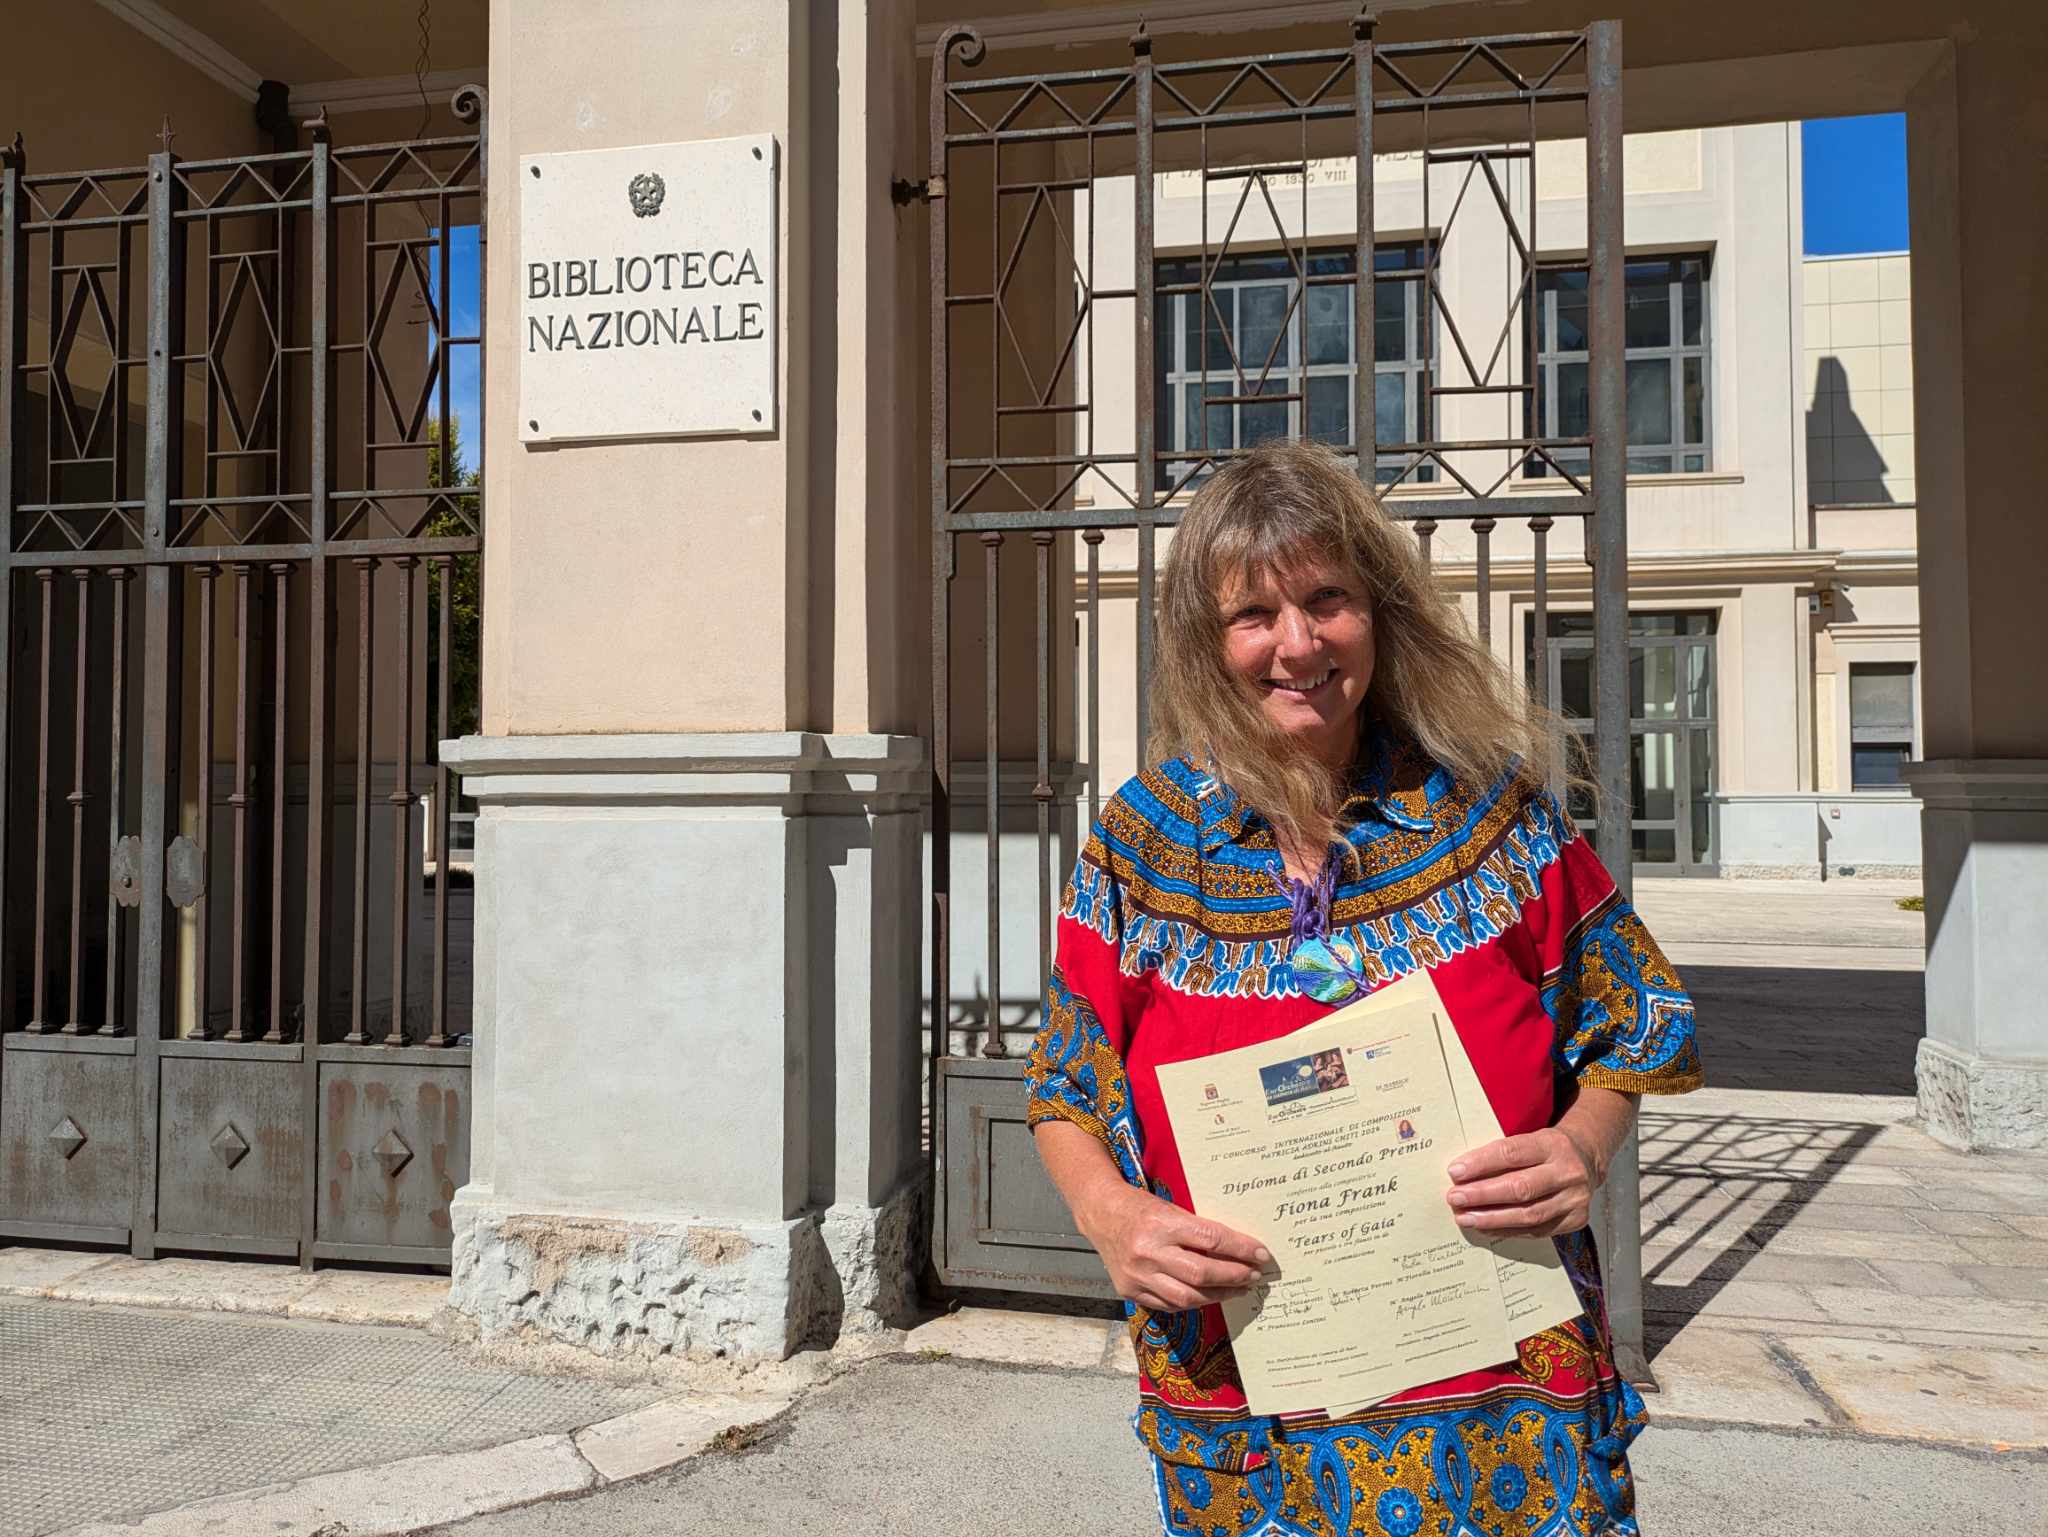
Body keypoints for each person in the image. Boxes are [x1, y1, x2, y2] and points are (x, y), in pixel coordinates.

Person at [1026, 439, 1702, 1537]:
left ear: (1376, 612)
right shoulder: (1140, 847)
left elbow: (1631, 1021)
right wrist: (1109, 1217)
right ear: (1208, 643)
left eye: (1325, 599)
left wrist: (1580, 1148)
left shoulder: (1492, 815)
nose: (1295, 644)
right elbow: (1065, 1088)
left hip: (1500, 1388)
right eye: (1254, 614)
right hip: (1254, 1400)